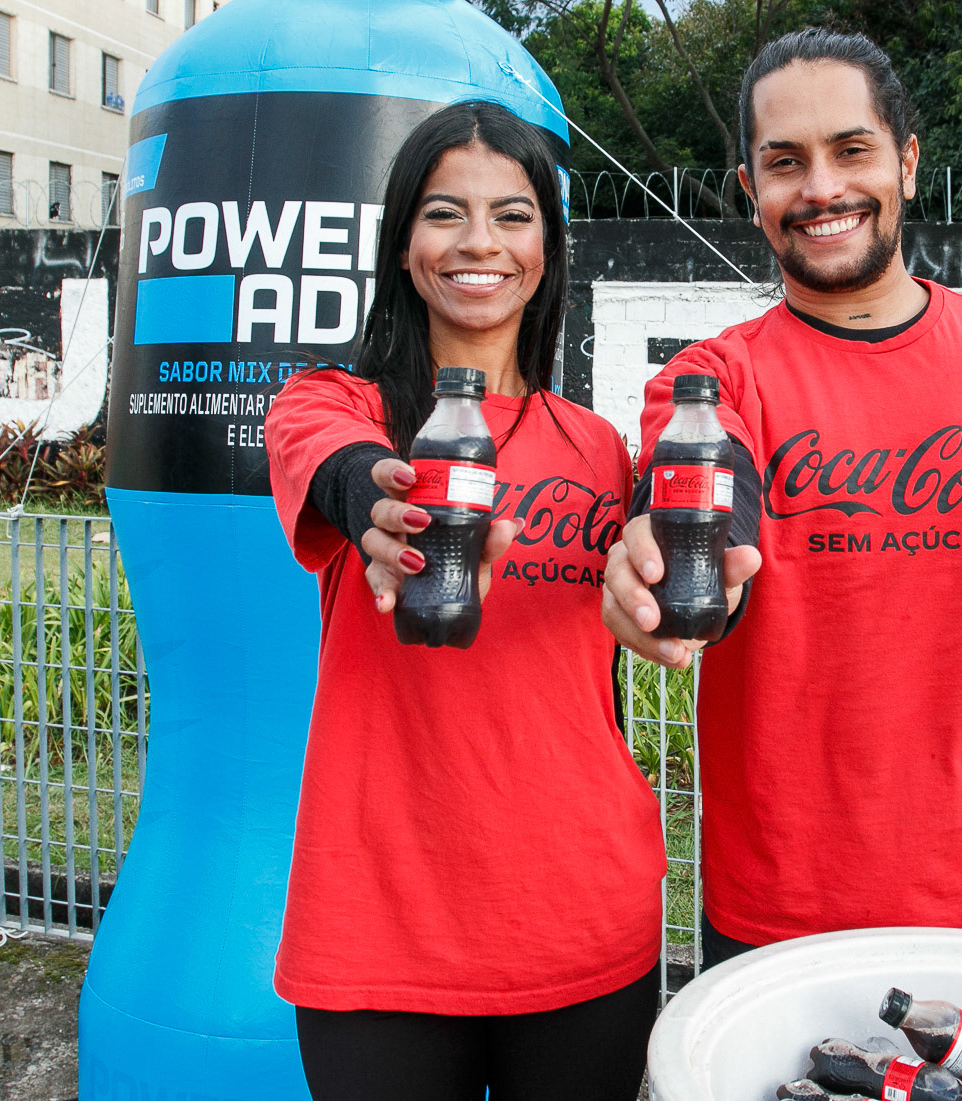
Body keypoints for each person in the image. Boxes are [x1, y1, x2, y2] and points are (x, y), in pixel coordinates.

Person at [602, 30, 962, 974]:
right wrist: (680, 563)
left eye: (851, 149)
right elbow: (701, 497)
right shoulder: (712, 382)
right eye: (785, 162)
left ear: (907, 163)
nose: (822, 187)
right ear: (750, 189)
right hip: (782, 916)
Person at [265, 101, 666, 1101]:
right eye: (445, 213)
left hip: (584, 909)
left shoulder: (598, 446)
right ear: (404, 248)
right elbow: (344, 472)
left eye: (512, 215)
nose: (479, 241)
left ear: (548, 250)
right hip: (378, 921)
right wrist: (384, 510)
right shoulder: (333, 404)